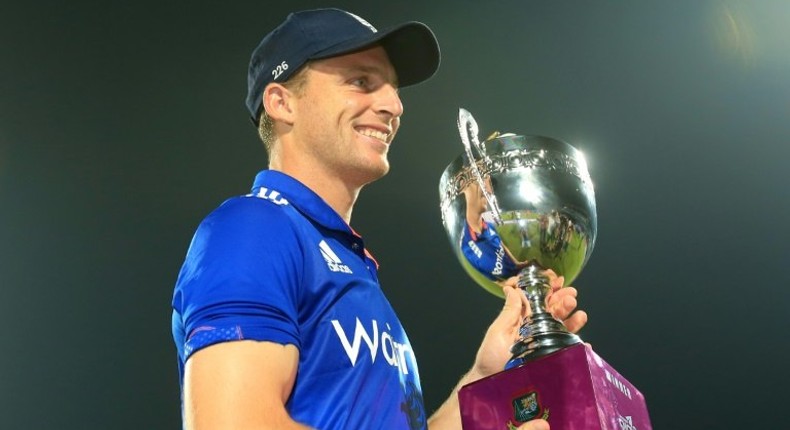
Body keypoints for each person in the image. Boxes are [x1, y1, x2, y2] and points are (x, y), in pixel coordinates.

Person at [171, 8, 587, 430]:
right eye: (361, 81)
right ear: (282, 103)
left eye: (392, 88)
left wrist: (484, 376)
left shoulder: (350, 263)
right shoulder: (253, 229)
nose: (393, 105)